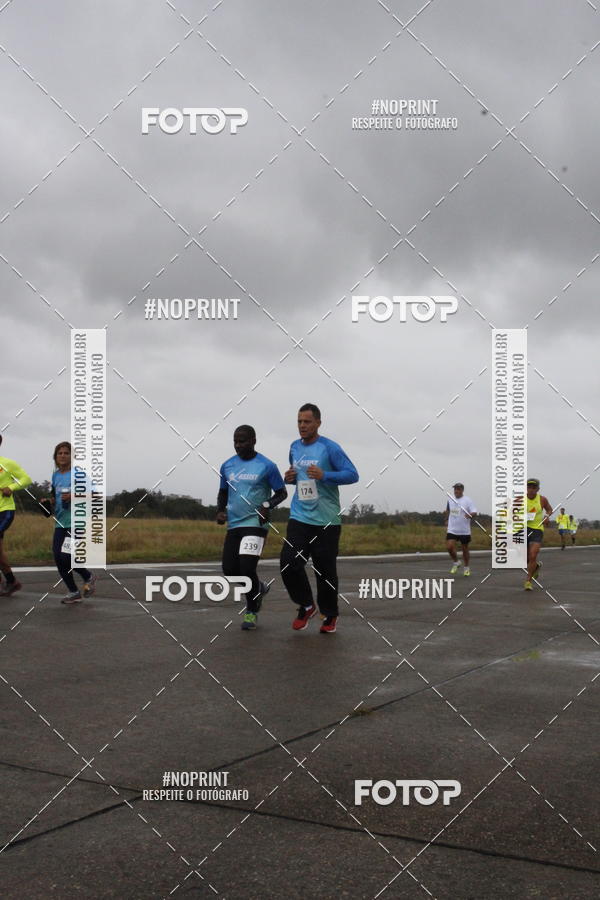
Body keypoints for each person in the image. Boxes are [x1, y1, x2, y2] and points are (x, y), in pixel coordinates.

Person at [280, 404, 358, 634]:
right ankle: (306, 605)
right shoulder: (294, 447)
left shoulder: (330, 448)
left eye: (307, 422)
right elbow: (298, 476)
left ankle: (330, 614)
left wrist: (325, 475)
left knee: (325, 571)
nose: (302, 426)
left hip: (326, 520)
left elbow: (352, 474)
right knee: (288, 564)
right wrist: (290, 478)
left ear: (318, 423)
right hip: (300, 516)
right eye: (299, 421)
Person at [217, 426, 286, 630]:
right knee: (230, 571)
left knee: (247, 568)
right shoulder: (227, 466)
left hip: (256, 525)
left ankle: (251, 611)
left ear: (253, 441)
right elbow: (223, 492)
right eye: (235, 441)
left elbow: (281, 493)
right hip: (234, 525)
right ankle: (259, 588)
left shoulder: (267, 466)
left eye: (243, 441)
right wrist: (220, 510)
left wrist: (267, 505)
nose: (238, 445)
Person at [43, 442, 97, 604]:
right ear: (55, 456)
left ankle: (88, 576)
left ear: (72, 456)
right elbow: (55, 495)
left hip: (76, 522)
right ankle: (73, 592)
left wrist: (74, 496)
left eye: (66, 453)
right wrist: (49, 502)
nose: (62, 456)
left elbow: (95, 494)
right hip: (60, 522)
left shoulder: (78, 474)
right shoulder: (55, 475)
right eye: (59, 453)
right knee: (58, 557)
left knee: (66, 557)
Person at [0, 436, 32, 597]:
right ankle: (11, 581)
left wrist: (11, 487)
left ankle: (10, 582)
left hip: (5, 510)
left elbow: (26, 479)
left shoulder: (7, 463)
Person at [524, 478, 552, 591]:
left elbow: (549, 509)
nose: (531, 489)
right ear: (526, 488)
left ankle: (528, 581)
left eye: (534, 487)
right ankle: (536, 566)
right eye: (529, 487)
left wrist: (546, 516)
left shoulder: (542, 499)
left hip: (537, 529)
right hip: (524, 529)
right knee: (526, 558)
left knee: (533, 555)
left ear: (538, 489)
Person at [444, 483, 477, 576]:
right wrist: (446, 519)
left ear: (462, 490)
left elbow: (474, 512)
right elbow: (448, 510)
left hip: (464, 530)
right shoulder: (450, 499)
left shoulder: (468, 500)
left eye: (458, 489)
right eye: (455, 489)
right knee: (449, 547)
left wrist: (470, 515)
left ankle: (466, 568)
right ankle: (456, 562)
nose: (456, 491)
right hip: (452, 529)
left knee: (464, 549)